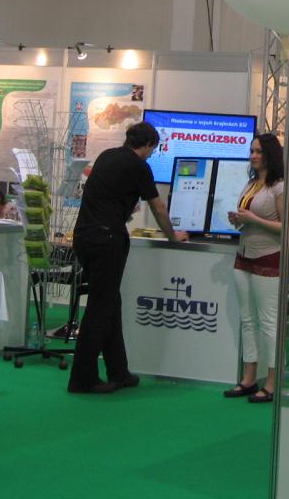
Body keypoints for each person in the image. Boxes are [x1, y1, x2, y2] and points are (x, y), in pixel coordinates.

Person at [69, 120, 187, 394]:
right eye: (152, 150)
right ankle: (82, 378)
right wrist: (172, 235)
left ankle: (119, 371)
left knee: (110, 302)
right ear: (148, 145)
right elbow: (158, 208)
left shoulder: (107, 156)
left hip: (84, 237)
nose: (151, 155)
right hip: (107, 241)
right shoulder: (139, 166)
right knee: (100, 308)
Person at [223, 133, 284, 404]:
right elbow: (249, 219)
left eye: (259, 151)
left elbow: (287, 226)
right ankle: (249, 378)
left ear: (270, 154)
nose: (254, 156)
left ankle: (272, 381)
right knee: (247, 320)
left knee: (269, 322)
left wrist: (253, 219)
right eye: (252, 151)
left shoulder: (279, 187)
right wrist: (238, 220)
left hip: (269, 257)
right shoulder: (251, 183)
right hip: (244, 255)